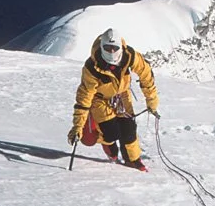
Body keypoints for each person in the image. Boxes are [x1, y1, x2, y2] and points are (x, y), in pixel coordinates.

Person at [67, 28, 160, 171]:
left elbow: (146, 74)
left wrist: (152, 101)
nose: (111, 52)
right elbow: (84, 98)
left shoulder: (130, 56)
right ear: (102, 47)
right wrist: (78, 126)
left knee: (128, 128)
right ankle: (107, 143)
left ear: (120, 48)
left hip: (122, 95)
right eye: (107, 48)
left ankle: (133, 160)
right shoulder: (92, 67)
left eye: (114, 48)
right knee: (111, 132)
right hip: (99, 99)